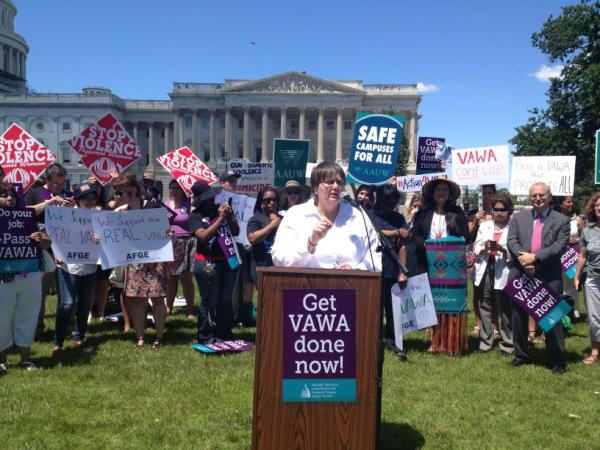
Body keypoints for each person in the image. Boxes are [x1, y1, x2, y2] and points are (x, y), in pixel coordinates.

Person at [507, 182, 570, 373]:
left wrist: (535, 258)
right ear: (529, 197)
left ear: (549, 196)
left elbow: (559, 246)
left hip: (549, 273)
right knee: (518, 316)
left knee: (552, 317)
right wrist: (524, 260)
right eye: (534, 195)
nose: (537, 198)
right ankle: (521, 355)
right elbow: (511, 241)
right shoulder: (518, 218)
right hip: (521, 271)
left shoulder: (562, 220)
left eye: (542, 195)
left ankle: (556, 359)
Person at [271, 161, 381, 271]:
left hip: (351, 285)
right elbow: (279, 258)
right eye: (329, 182)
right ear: (315, 188)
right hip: (305, 286)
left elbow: (375, 257)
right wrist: (310, 243)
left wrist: (355, 270)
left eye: (339, 182)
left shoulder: (359, 217)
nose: (335, 186)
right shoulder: (295, 215)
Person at [411, 178, 470, 354]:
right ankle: (435, 341)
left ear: (449, 193)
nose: (441, 193)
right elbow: (415, 235)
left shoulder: (456, 212)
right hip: (429, 264)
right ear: (432, 193)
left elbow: (465, 237)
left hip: (451, 267)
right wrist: (428, 245)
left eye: (444, 190)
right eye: (438, 190)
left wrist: (446, 244)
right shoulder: (424, 212)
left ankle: (452, 341)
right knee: (433, 303)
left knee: (451, 303)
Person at [0, 181, 52, 373]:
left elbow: (47, 242)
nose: (8, 199)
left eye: (12, 196)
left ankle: (26, 359)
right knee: (2, 318)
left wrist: (42, 239)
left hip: (30, 274)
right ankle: (2, 360)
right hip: (3, 278)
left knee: (27, 316)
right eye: (4, 195)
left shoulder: (28, 218)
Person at [113, 174, 169, 349]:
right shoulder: (121, 213)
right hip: (134, 260)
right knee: (136, 299)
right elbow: (114, 238)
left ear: (133, 191)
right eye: (116, 193)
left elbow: (164, 232)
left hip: (155, 260)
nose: (118, 197)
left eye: (120, 192)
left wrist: (168, 234)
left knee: (157, 298)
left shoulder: (152, 208)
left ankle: (159, 336)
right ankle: (140, 336)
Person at [24, 163, 75, 334]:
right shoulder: (35, 193)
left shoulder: (68, 195)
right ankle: (37, 327)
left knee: (67, 292)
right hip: (43, 250)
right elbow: (26, 212)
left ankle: (68, 325)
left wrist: (72, 208)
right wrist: (49, 202)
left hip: (64, 250)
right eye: (56, 184)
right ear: (47, 180)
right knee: (40, 293)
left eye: (62, 184)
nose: (60, 188)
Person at [189, 181, 240, 343]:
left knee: (225, 299)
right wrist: (220, 218)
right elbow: (203, 236)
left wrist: (230, 217)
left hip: (228, 259)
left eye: (212, 196)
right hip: (207, 262)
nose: (211, 199)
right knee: (209, 300)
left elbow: (236, 231)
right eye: (208, 197)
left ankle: (224, 333)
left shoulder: (218, 209)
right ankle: (206, 335)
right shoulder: (195, 216)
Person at [52, 182, 99, 356]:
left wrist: (99, 240)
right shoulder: (64, 215)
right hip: (67, 266)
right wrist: (55, 253)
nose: (89, 200)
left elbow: (109, 241)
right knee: (67, 304)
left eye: (92, 197)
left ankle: (80, 337)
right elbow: (54, 235)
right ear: (77, 200)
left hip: (90, 267)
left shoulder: (100, 217)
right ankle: (58, 342)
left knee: (85, 304)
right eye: (85, 197)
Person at [369, 184, 408, 359]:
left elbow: (404, 241)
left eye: (395, 201)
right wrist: (393, 232)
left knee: (394, 310)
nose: (392, 205)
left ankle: (396, 343)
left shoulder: (398, 218)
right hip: (373, 267)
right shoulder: (368, 217)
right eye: (389, 202)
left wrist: (403, 271)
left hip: (393, 267)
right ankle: (372, 341)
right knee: (373, 309)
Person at [472, 193, 514, 354]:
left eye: (502, 209)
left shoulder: (514, 226)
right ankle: (485, 341)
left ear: (509, 210)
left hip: (504, 268)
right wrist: (483, 247)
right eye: (495, 209)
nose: (499, 213)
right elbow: (475, 247)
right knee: (485, 304)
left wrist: (503, 249)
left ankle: (508, 343)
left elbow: (517, 250)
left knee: (505, 307)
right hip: (485, 266)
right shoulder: (484, 226)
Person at [574, 193, 600, 364]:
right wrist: (577, 277)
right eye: (597, 205)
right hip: (593, 280)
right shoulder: (587, 231)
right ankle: (595, 352)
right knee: (594, 318)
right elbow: (582, 256)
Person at [165, 180, 196, 320]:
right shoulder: (165, 204)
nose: (174, 190)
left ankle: (190, 310)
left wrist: (193, 203)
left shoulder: (189, 204)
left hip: (187, 242)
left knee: (186, 278)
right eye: (171, 188)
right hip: (170, 243)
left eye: (177, 188)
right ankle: (168, 307)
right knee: (171, 278)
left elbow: (194, 220)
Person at [554, 195, 585, 319]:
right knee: (559, 285)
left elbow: (584, 237)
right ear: (561, 204)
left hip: (572, 255)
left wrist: (576, 240)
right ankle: (562, 312)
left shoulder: (578, 220)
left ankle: (575, 309)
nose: (571, 204)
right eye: (568, 202)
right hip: (558, 256)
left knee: (572, 283)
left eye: (572, 202)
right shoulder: (554, 218)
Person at [247, 187, 282, 287]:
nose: (272, 203)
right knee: (266, 299)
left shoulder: (282, 218)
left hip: (279, 264)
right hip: (262, 264)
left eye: (275, 200)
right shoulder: (255, 219)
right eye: (267, 200)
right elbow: (252, 239)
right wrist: (272, 225)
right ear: (261, 202)